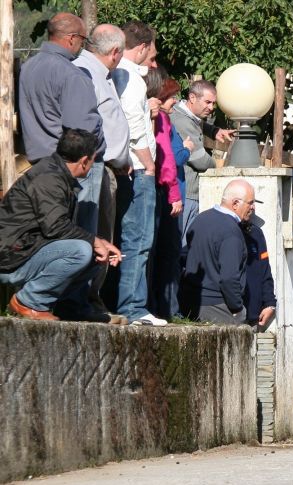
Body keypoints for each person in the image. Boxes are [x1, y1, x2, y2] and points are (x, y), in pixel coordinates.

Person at [0, 129, 122, 322]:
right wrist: (93, 240)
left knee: (95, 254)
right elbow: (55, 227)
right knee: (81, 250)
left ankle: (68, 308)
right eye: (93, 159)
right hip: (10, 259)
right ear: (84, 160)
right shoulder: (48, 178)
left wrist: (100, 243)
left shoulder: (57, 174)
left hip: (25, 250)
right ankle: (29, 302)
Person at [18, 12, 106, 236]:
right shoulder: (71, 74)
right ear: (71, 38)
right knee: (80, 240)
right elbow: (82, 132)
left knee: (46, 235)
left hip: (36, 164)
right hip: (71, 168)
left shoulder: (28, 68)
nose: (82, 47)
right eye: (83, 41)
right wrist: (103, 148)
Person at [111, 20, 167, 326]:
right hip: (139, 168)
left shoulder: (118, 75)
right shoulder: (131, 78)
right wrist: (150, 163)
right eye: (153, 49)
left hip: (125, 166)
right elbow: (133, 124)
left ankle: (130, 305)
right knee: (139, 239)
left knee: (129, 238)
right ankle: (133, 307)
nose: (154, 56)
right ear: (143, 47)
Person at [72, 23, 130, 315]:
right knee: (95, 232)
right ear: (116, 52)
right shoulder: (86, 73)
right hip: (94, 166)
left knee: (102, 232)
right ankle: (85, 298)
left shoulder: (100, 73)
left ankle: (91, 297)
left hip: (106, 166)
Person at [146, 68, 190, 319]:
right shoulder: (161, 120)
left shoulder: (161, 118)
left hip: (161, 189)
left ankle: (160, 308)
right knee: (167, 252)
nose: (176, 101)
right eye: (173, 97)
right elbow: (167, 159)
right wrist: (174, 194)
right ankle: (167, 309)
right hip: (166, 192)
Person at [170, 80, 234, 246]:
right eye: (207, 102)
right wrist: (220, 167)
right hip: (187, 194)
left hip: (188, 193)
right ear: (192, 98)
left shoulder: (188, 116)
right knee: (182, 246)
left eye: (213, 103)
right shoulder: (182, 121)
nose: (211, 107)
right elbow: (201, 161)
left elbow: (198, 123)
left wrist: (214, 131)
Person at [181, 179, 255, 324]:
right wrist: (237, 309)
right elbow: (229, 278)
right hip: (217, 305)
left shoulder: (200, 219)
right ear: (235, 204)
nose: (253, 207)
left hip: (191, 303)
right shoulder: (231, 232)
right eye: (250, 202)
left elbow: (185, 257)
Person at [242, 218, 277, 331]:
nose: (252, 207)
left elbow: (265, 269)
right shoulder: (223, 232)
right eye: (249, 203)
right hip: (228, 316)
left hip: (254, 318)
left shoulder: (256, 233)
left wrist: (270, 304)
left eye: (253, 203)